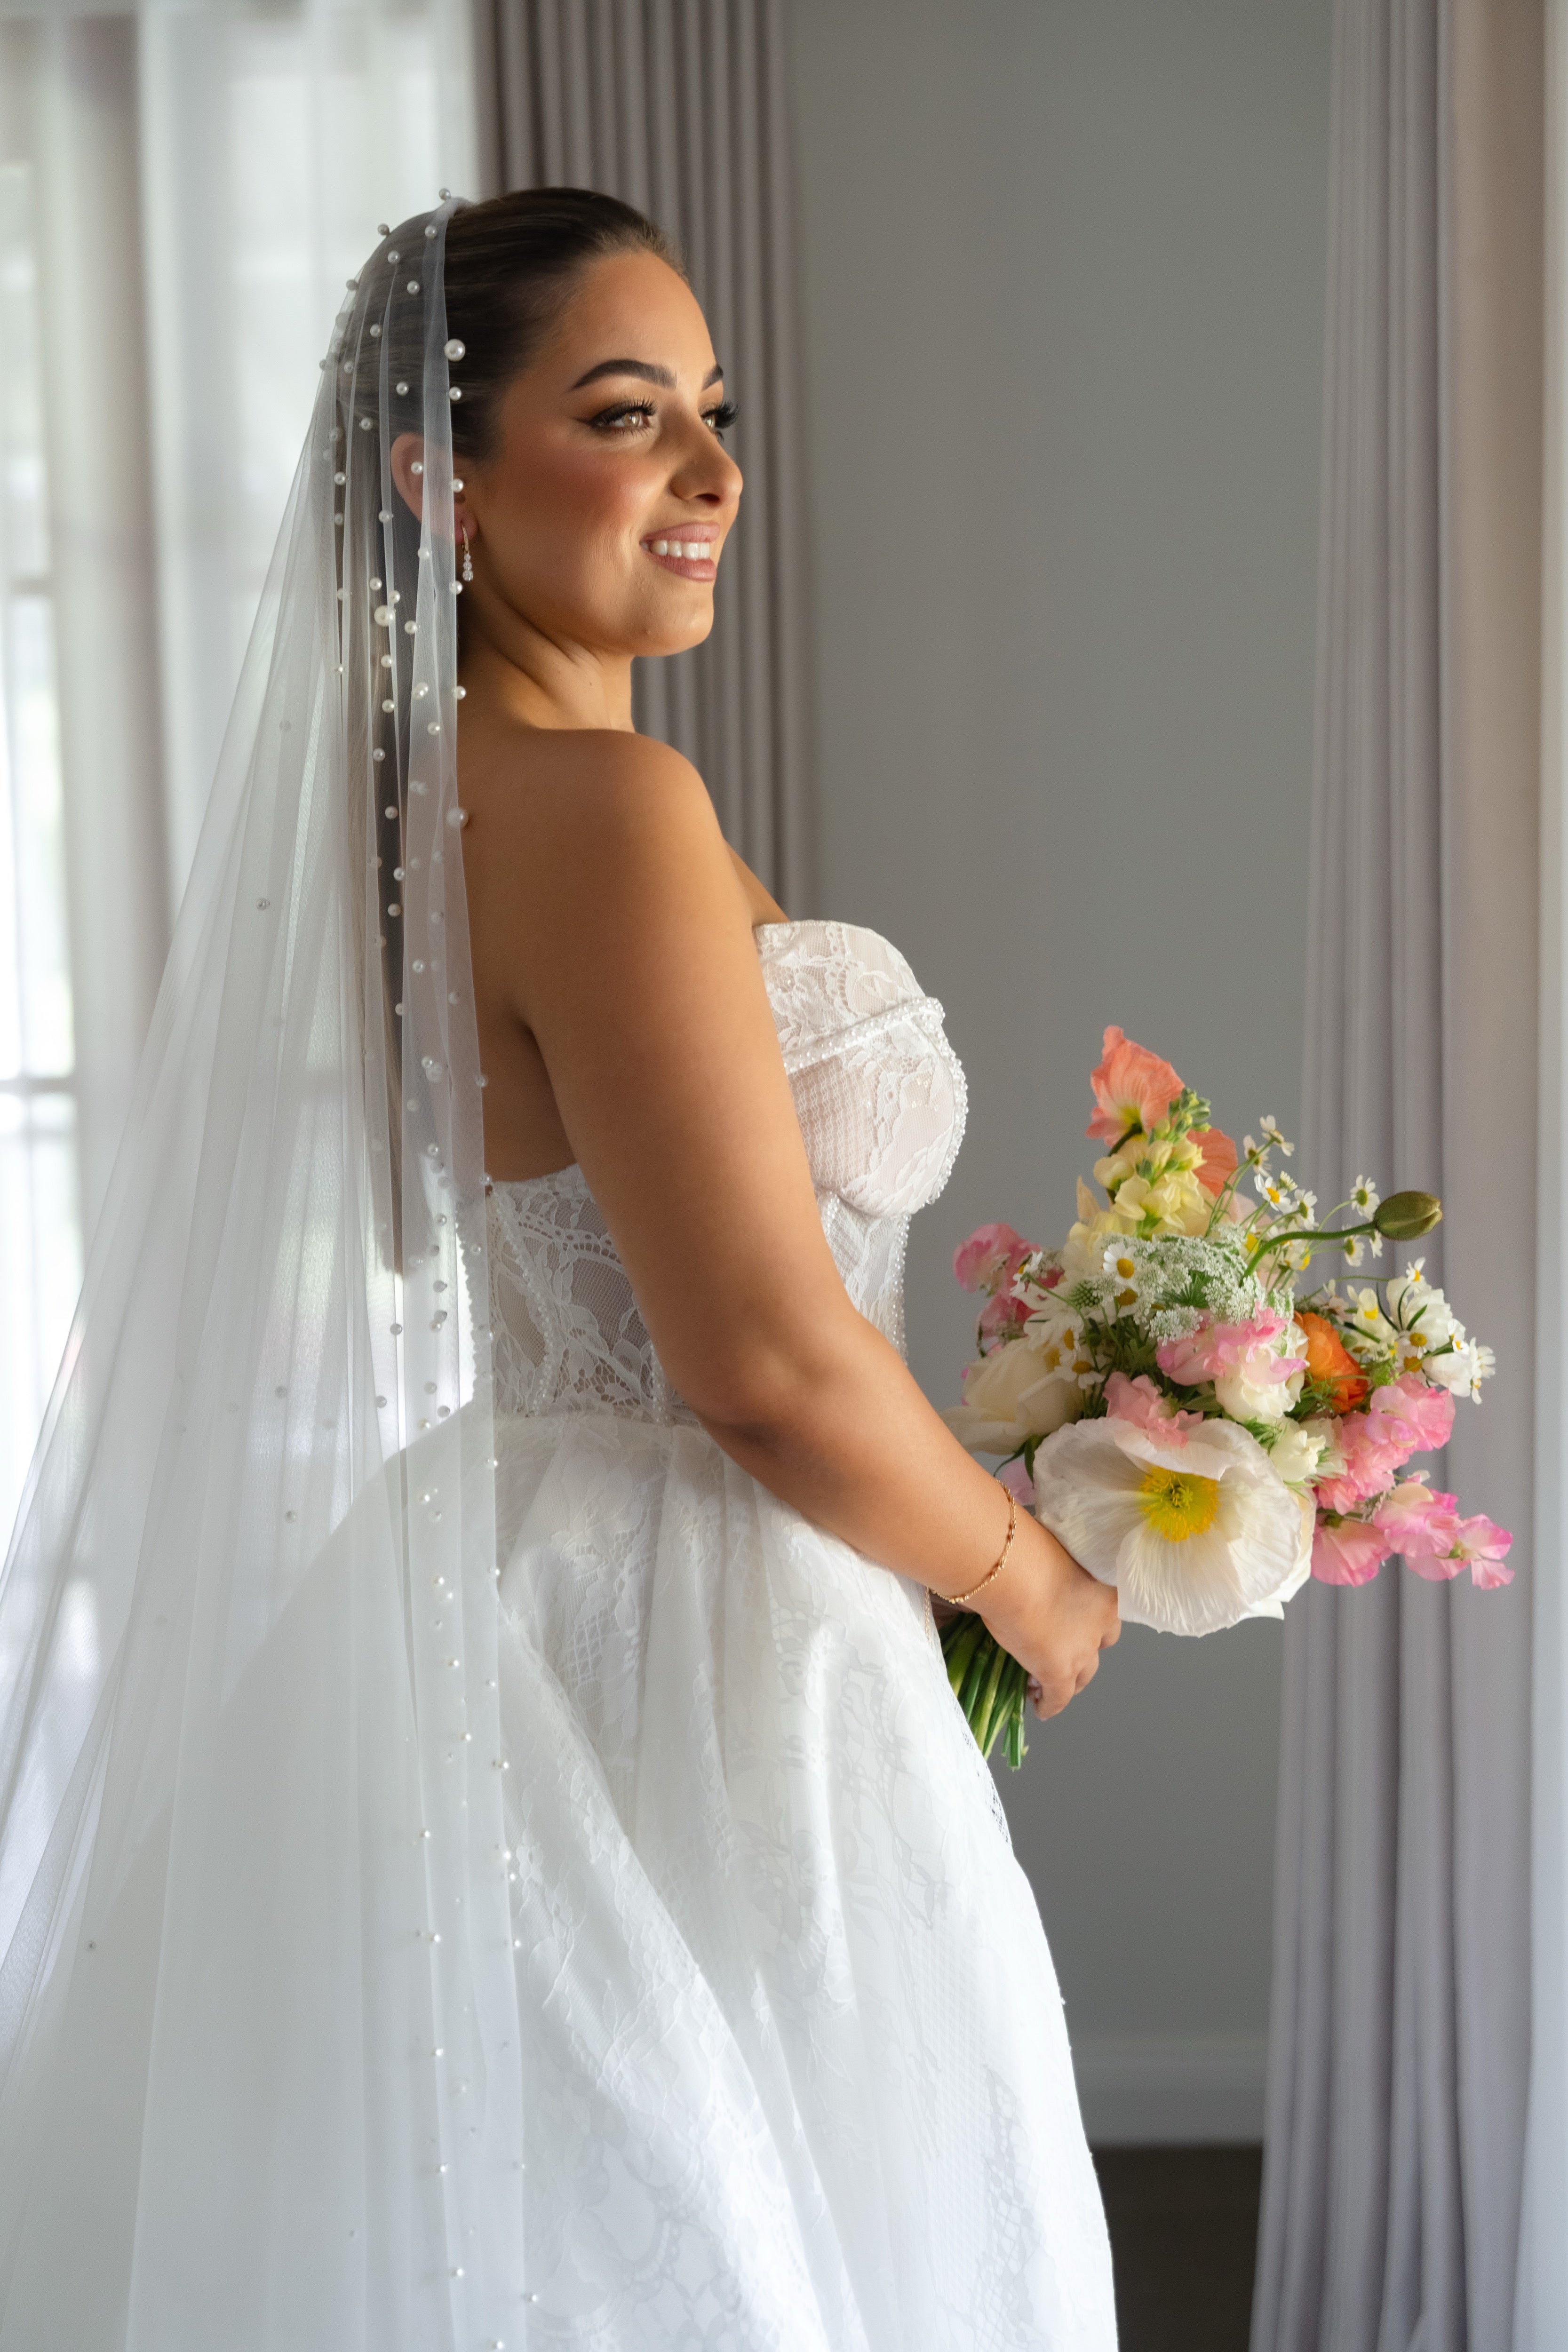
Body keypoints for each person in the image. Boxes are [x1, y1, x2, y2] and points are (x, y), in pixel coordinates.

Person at [0, 189, 1118, 2350]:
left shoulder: (440, 792)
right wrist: (1020, 1568)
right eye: (628, 415)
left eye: (713, 411)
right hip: (699, 1615)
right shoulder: (598, 807)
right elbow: (764, 1359)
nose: (710, 472)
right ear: (444, 472)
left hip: (525, 1560)